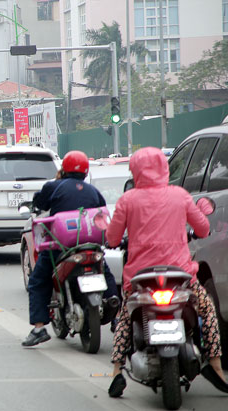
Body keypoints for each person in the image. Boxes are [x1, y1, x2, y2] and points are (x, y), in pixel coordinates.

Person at [106, 147, 227, 397]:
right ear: (164, 168)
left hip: (141, 278)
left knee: (126, 318)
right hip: (179, 275)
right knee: (207, 309)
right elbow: (203, 230)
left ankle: (117, 370)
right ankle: (215, 365)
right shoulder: (180, 195)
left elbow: (113, 237)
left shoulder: (128, 200)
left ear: (136, 171)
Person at [22, 151, 119, 347]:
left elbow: (40, 203)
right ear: (85, 171)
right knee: (105, 271)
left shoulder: (53, 186)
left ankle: (39, 328)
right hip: (89, 244)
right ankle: (117, 315)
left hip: (61, 245)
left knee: (38, 280)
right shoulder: (93, 191)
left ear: (64, 168)